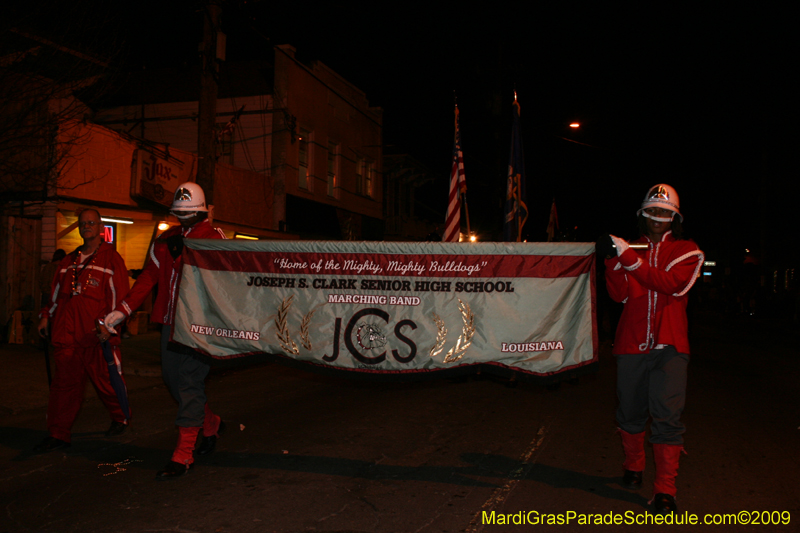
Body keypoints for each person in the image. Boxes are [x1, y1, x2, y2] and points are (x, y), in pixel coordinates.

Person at [104, 182, 226, 480]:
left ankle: (183, 455)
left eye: (189, 213)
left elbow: (226, 279)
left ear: (201, 212)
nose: (182, 218)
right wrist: (123, 310)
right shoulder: (165, 239)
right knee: (174, 382)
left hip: (199, 325)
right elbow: (149, 277)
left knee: (189, 383)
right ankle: (210, 423)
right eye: (179, 213)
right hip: (170, 323)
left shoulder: (214, 238)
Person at [603, 184, 704, 514]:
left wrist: (628, 259)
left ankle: (665, 489)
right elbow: (618, 295)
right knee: (630, 411)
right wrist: (612, 262)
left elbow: (671, 284)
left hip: (670, 345)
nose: (657, 216)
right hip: (631, 342)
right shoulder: (630, 249)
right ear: (642, 215)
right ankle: (634, 465)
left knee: (667, 416)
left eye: (664, 212)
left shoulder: (688, 251)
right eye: (651, 211)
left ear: (675, 218)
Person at [35, 209, 131, 452]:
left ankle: (120, 416)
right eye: (83, 223)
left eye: (91, 222)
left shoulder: (112, 259)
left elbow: (120, 298)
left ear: (100, 227)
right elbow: (56, 295)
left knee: (107, 383)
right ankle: (58, 433)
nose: (86, 226)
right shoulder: (68, 261)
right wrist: (46, 316)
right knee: (64, 387)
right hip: (67, 336)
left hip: (96, 336)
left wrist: (110, 327)